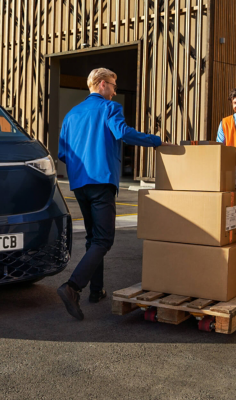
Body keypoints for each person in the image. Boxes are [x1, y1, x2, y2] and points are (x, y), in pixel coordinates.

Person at [56, 68, 171, 320]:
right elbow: (123, 133)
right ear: (101, 85)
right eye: (113, 85)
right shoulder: (110, 108)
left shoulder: (71, 115)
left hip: (79, 184)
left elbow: (63, 153)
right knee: (103, 240)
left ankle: (96, 291)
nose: (115, 91)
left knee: (93, 238)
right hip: (101, 181)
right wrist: (156, 141)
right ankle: (72, 287)